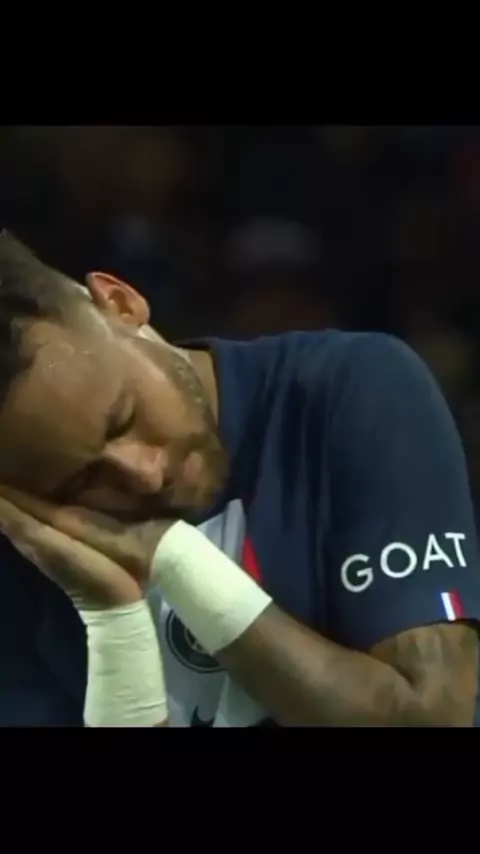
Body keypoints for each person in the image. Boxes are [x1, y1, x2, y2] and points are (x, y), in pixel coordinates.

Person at [0, 230, 479, 728]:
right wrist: (113, 620)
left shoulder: (351, 389)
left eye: (123, 416)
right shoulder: (22, 556)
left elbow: (434, 719)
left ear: (121, 304)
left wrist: (176, 560)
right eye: (83, 480)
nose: (144, 474)